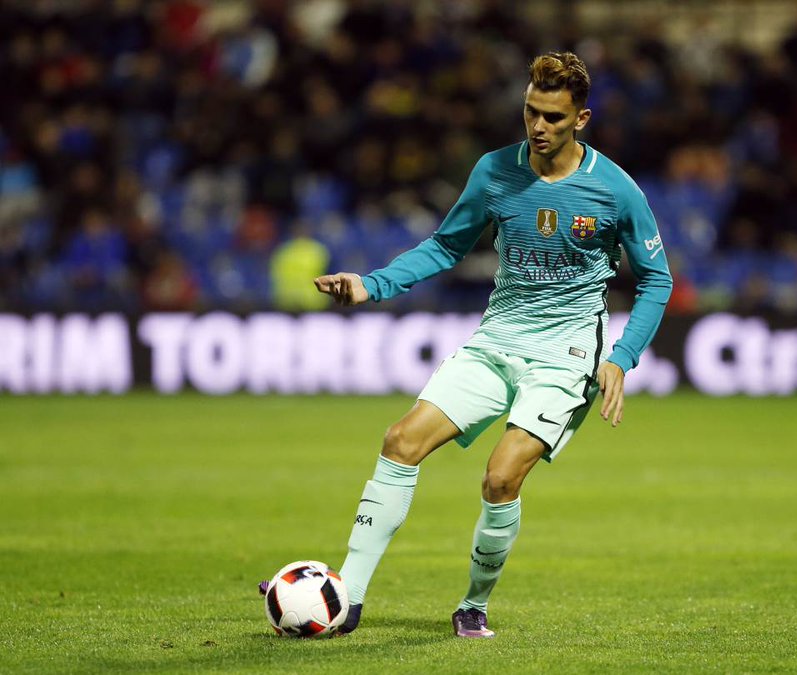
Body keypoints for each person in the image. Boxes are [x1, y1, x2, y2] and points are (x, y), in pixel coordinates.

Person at [267, 52, 672, 639]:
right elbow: (445, 246)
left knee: (500, 478)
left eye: (554, 118)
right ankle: (346, 596)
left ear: (581, 119)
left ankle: (473, 604)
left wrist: (621, 357)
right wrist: (372, 285)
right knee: (400, 441)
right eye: (531, 112)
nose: (538, 127)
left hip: (566, 353)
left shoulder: (614, 190)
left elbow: (657, 280)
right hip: (497, 337)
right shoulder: (494, 171)